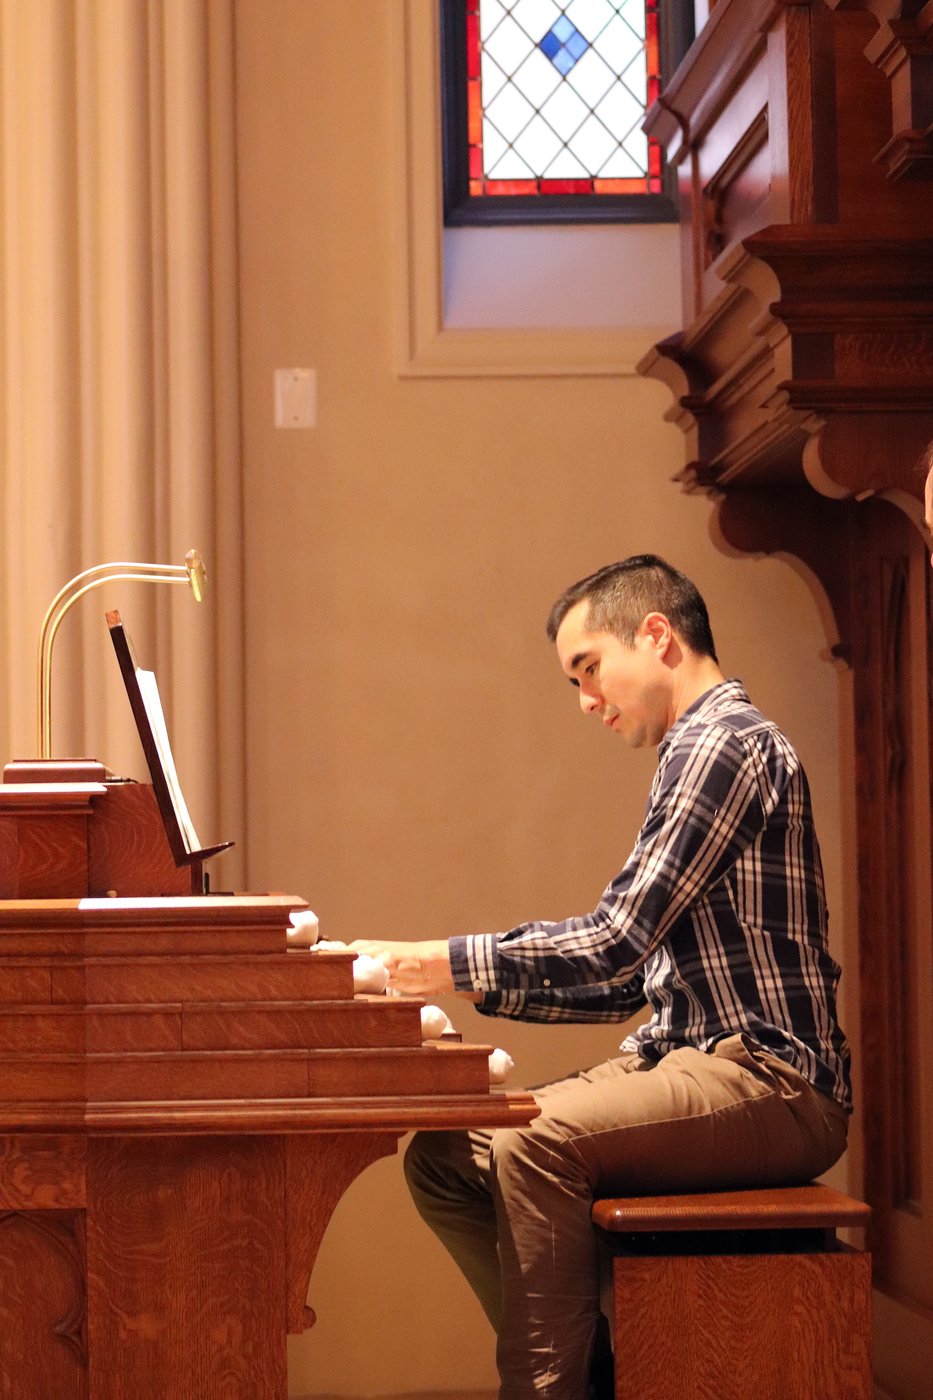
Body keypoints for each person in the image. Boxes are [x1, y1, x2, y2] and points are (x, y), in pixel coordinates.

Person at [351, 554, 851, 1400]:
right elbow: (630, 980)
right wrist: (458, 985)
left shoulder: (722, 743)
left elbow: (616, 940)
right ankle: (611, 1363)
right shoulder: (694, 751)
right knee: (444, 1158)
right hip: (695, 1062)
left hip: (774, 1080)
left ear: (655, 635)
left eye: (588, 670)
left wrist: (425, 965)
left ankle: (552, 1387)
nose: (586, 701)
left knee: (535, 1143)